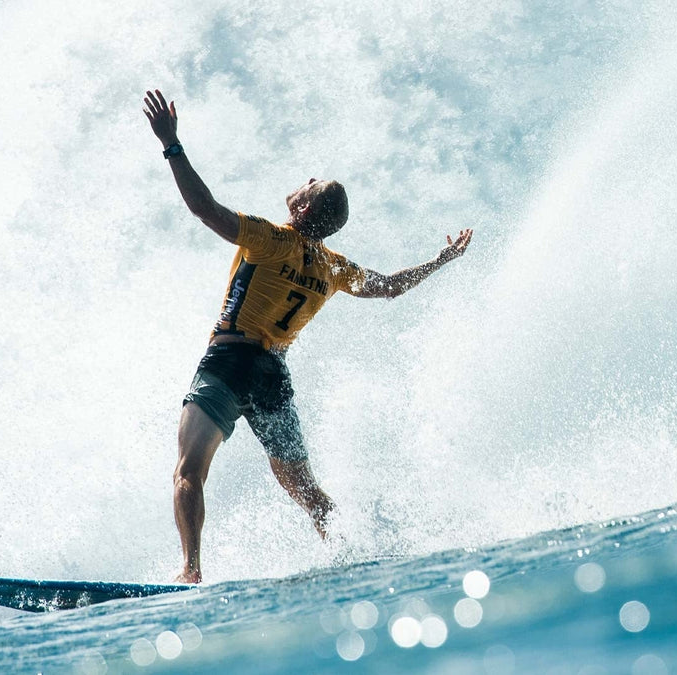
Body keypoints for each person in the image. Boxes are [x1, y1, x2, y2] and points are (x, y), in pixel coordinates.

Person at [143, 89, 472, 583]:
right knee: (307, 491)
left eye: (311, 183)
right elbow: (387, 288)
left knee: (189, 471)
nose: (306, 179)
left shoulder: (271, 238)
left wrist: (172, 145)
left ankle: (190, 570)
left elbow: (205, 208)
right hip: (272, 376)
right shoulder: (332, 267)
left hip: (230, 365)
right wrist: (440, 260)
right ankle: (349, 555)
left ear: (302, 207)